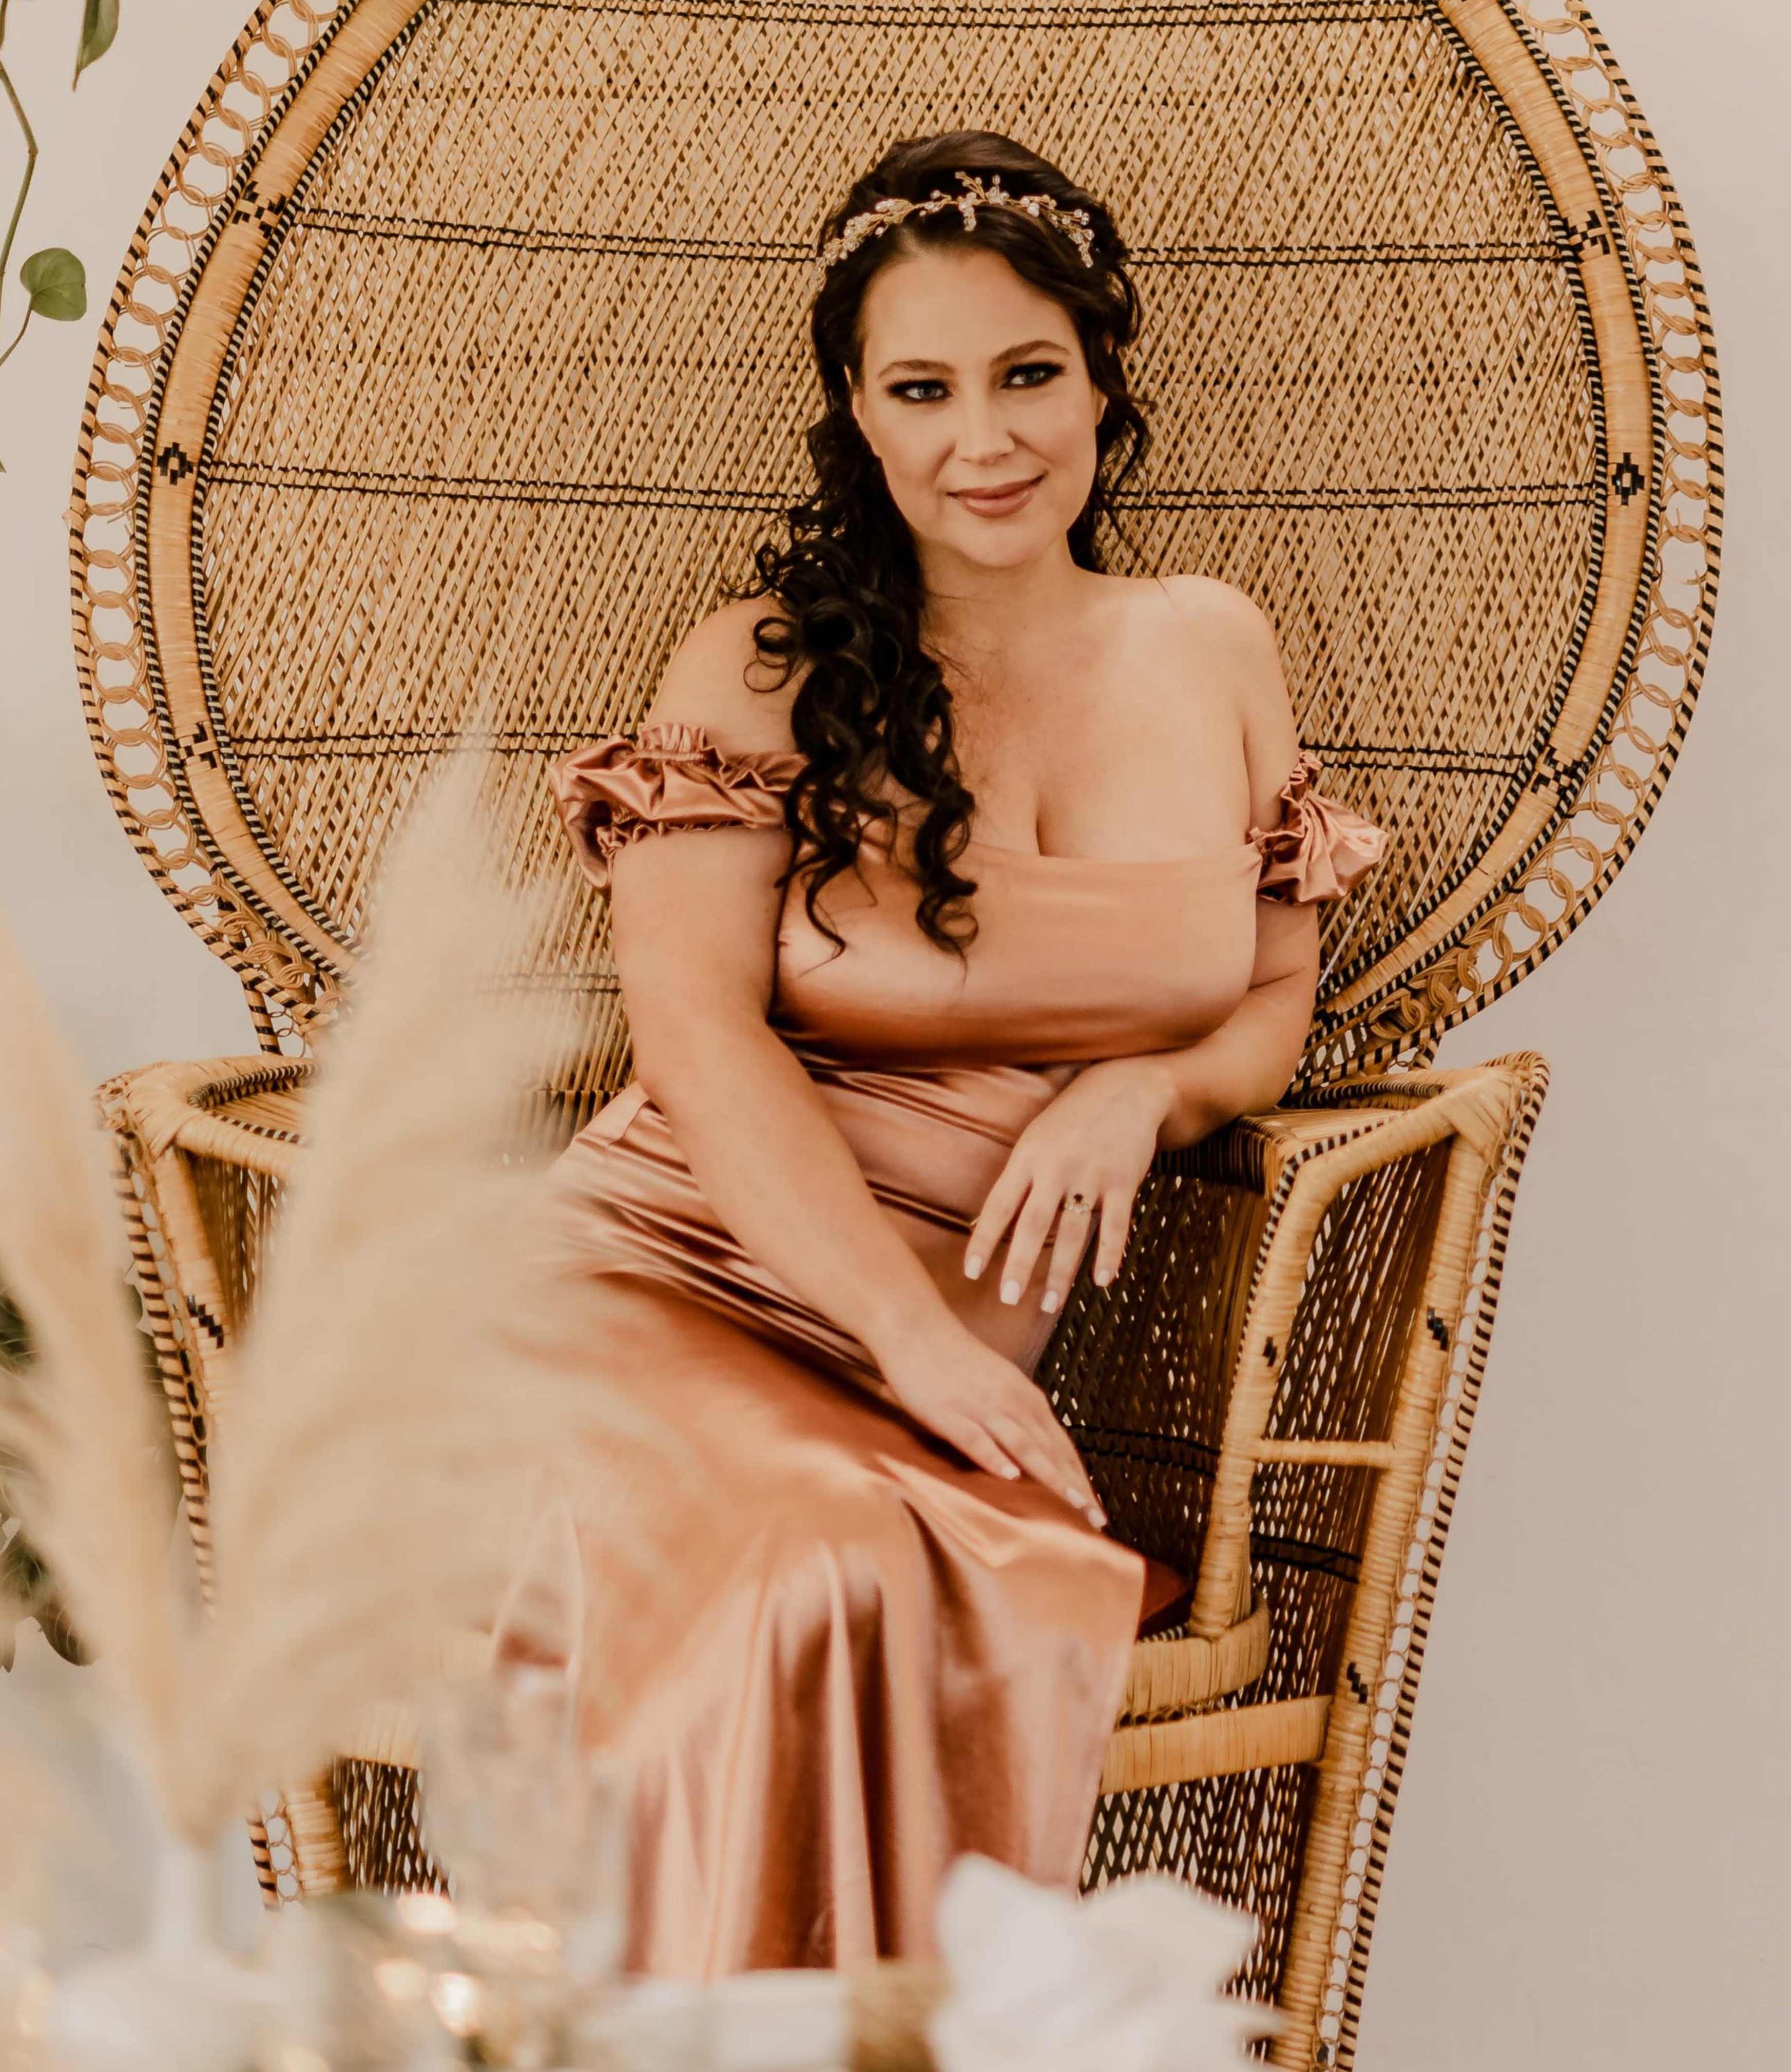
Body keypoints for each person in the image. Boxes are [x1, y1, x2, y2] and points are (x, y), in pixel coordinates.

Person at [515, 130, 1386, 1976]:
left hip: (938, 1384)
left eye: (1026, 374)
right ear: (858, 411)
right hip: (662, 1285)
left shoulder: (1214, 646)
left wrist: (1145, 1091)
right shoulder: (759, 667)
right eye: (921, 388)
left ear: (1102, 380)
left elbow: (1274, 989)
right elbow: (693, 1032)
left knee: (870, 1566)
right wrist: (910, 1337)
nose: (983, 438)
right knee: (833, 1567)